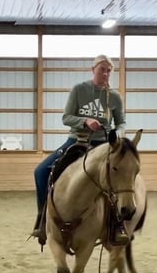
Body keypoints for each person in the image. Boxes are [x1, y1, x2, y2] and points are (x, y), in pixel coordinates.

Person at [31, 54, 127, 241]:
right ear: (93, 70)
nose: (106, 73)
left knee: (117, 177)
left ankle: (118, 225)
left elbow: (121, 122)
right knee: (41, 172)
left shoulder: (115, 97)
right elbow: (66, 117)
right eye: (102, 69)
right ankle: (42, 220)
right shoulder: (79, 90)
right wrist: (85, 121)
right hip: (77, 140)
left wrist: (119, 133)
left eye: (109, 70)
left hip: (103, 144)